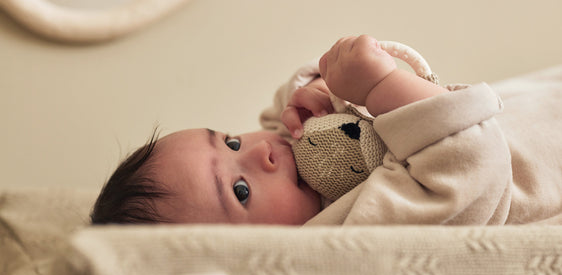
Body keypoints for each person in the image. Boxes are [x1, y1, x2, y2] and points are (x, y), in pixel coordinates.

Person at [91, 35, 562, 226]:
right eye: (239, 191)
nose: (263, 153)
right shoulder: (351, 229)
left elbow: (283, 108)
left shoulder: (300, 153)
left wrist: (317, 90)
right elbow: (470, 166)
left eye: (231, 142)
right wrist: (379, 86)